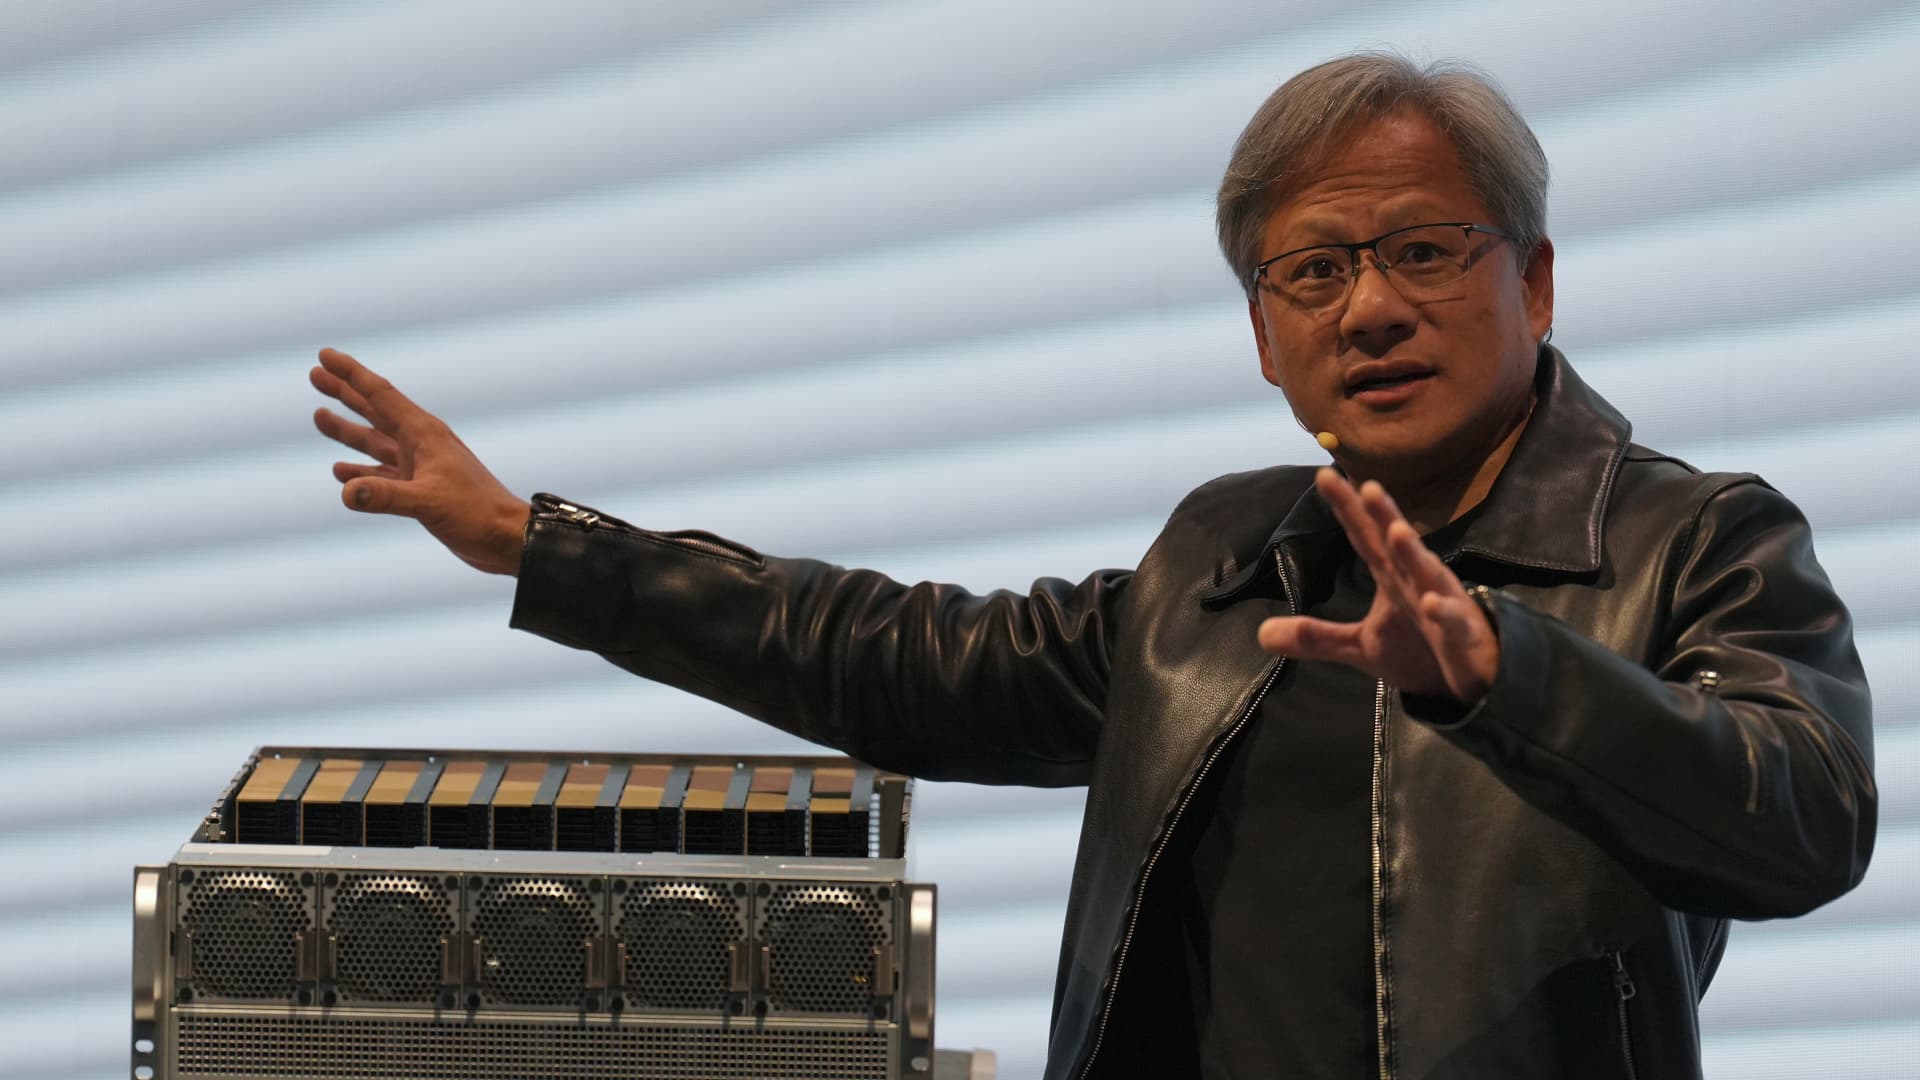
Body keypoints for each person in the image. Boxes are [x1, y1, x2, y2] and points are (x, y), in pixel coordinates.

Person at [310, 52, 1875, 1080]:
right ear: (1263, 336)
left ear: (1533, 281)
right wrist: (539, 546)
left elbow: (1802, 821)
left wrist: (1505, 674)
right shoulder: (1224, 556)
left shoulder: (1698, 539)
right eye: (1314, 270)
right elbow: (898, 655)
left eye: (1421, 250)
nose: (1370, 307)